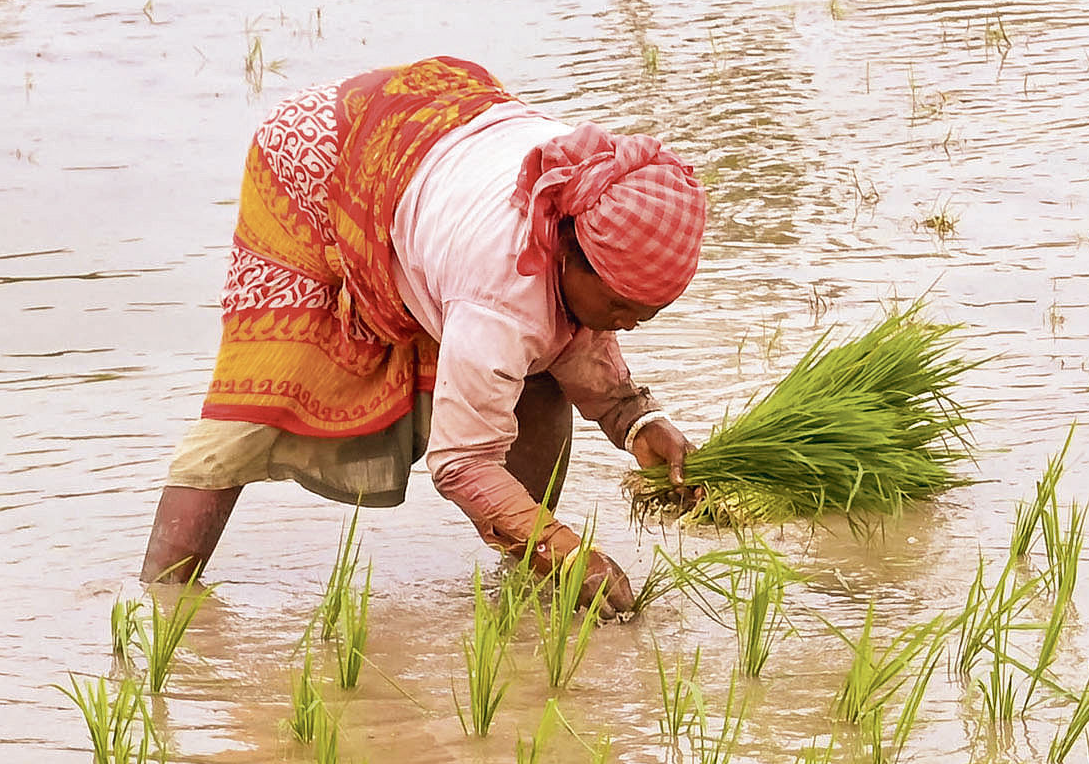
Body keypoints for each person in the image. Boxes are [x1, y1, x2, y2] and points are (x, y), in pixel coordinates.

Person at [141, 56, 707, 614]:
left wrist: (638, 422)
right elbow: (461, 462)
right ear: (567, 252)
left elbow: (574, 337)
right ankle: (154, 603)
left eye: (649, 312)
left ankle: (522, 581)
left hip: (432, 140)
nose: (630, 323)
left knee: (540, 372)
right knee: (256, 408)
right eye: (618, 305)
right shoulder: (502, 285)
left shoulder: (592, 191)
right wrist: (564, 551)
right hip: (316, 167)